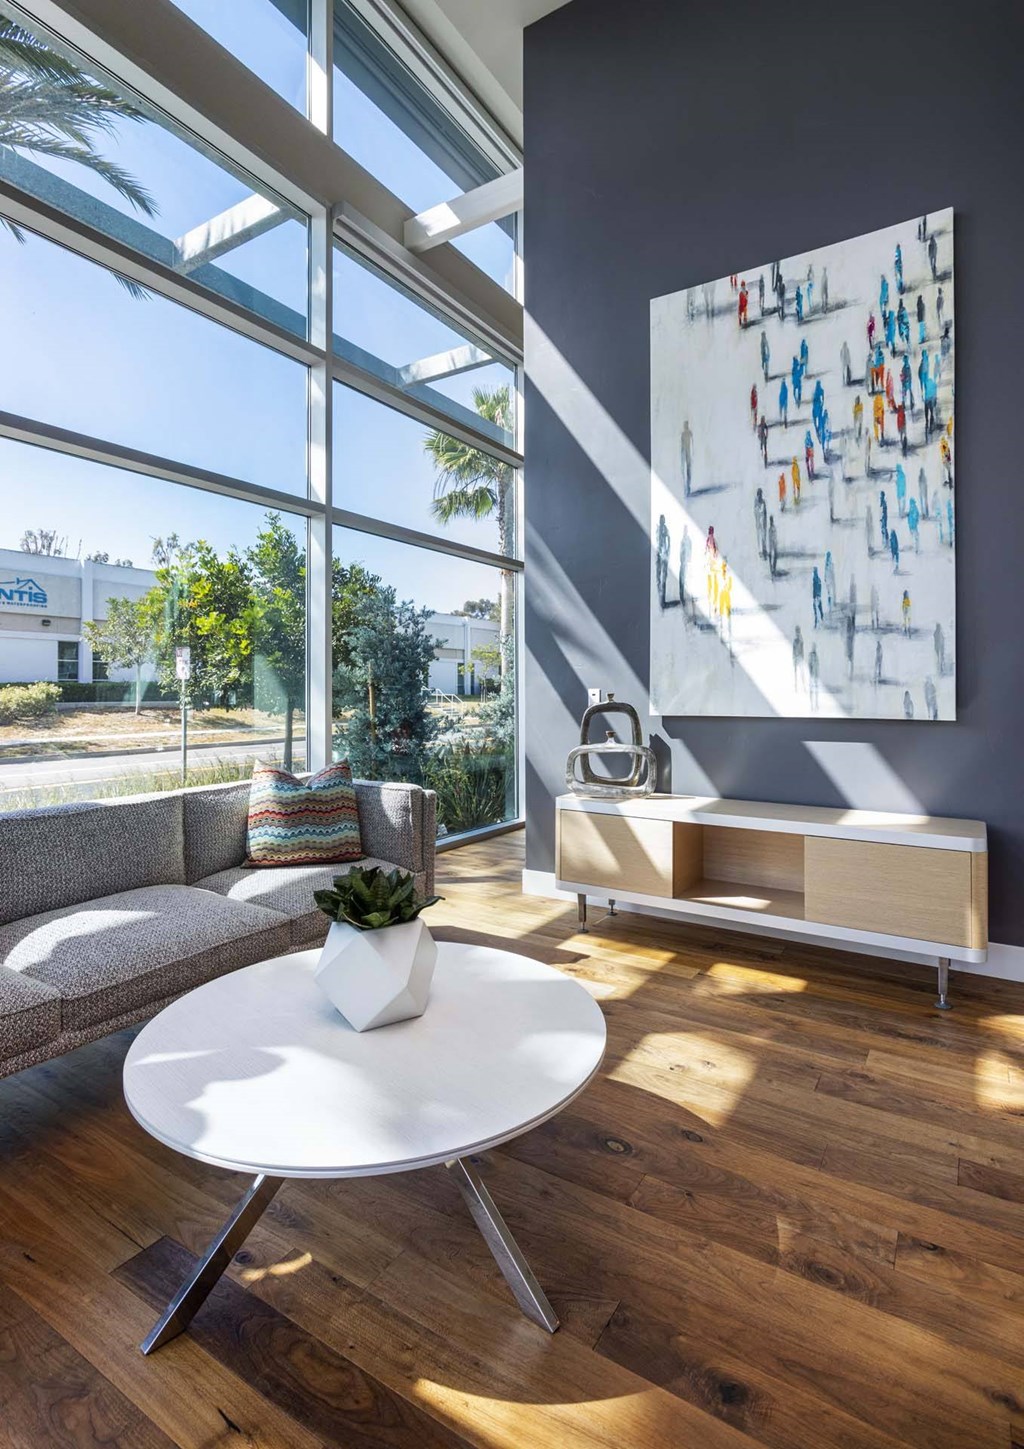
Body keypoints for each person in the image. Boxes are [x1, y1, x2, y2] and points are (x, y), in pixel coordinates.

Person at [656, 513, 671, 607]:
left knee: (664, 576)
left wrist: (668, 549)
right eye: (661, 520)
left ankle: (663, 600)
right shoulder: (658, 529)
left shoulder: (665, 529)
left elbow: (668, 539)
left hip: (664, 554)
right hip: (660, 554)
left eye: (663, 520)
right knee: (659, 576)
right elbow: (657, 541)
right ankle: (660, 599)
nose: (662, 521)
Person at [679, 529, 692, 610]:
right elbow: (681, 550)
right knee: (681, 580)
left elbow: (690, 549)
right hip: (683, 562)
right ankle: (682, 597)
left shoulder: (688, 540)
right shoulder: (683, 539)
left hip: (686, 563)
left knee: (685, 580)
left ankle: (684, 599)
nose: (684, 532)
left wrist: (688, 559)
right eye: (684, 531)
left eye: (685, 531)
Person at [754, 486, 768, 558]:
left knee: (763, 536)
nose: (760, 496)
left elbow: (765, 513)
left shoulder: (763, 502)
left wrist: (765, 522)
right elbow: (756, 512)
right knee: (759, 536)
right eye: (759, 494)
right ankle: (760, 551)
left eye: (760, 494)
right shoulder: (756, 503)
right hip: (759, 523)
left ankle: (764, 549)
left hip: (763, 522)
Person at [681, 419, 694, 495]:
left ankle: (688, 487)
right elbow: (682, 446)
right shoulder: (683, 434)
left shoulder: (689, 433)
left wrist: (692, 455)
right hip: (684, 454)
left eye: (686, 424)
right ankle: (686, 488)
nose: (685, 426)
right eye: (685, 425)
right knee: (684, 471)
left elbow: (692, 444)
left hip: (688, 455)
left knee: (688, 471)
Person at [793, 625, 805, 689]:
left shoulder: (800, 639)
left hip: (799, 657)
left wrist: (802, 657)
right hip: (796, 657)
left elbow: (802, 649)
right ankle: (796, 685)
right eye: (796, 631)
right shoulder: (795, 640)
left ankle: (803, 685)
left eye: (798, 631)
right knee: (796, 672)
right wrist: (793, 657)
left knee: (801, 672)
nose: (797, 633)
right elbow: (794, 649)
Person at [808, 644, 820, 709]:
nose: (814, 648)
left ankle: (815, 703)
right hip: (813, 674)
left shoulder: (815, 655)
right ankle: (812, 703)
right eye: (814, 647)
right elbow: (810, 664)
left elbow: (817, 665)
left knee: (815, 689)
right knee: (812, 689)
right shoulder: (812, 655)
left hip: (815, 674)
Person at [824, 550, 836, 614]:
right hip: (830, 581)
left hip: (828, 581)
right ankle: (831, 606)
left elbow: (825, 575)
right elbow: (832, 574)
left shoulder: (826, 565)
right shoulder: (831, 565)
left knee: (829, 594)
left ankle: (830, 607)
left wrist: (825, 580)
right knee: (831, 594)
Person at [845, 609, 856, 678]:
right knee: (851, 629)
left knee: (850, 628)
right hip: (850, 638)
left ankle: (851, 617)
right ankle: (851, 616)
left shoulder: (850, 656)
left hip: (849, 638)